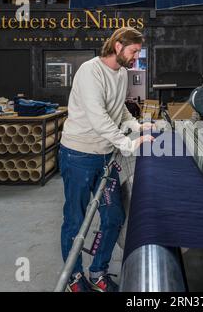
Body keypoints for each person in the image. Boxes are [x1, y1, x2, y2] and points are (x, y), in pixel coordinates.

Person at [59, 27, 154, 292]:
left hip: (104, 156)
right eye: (134, 51)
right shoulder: (91, 72)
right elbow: (98, 116)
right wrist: (128, 143)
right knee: (76, 219)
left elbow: (118, 107)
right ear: (118, 46)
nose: (136, 57)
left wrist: (136, 126)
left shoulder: (122, 73)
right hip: (78, 154)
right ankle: (74, 277)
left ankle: (98, 270)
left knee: (113, 216)